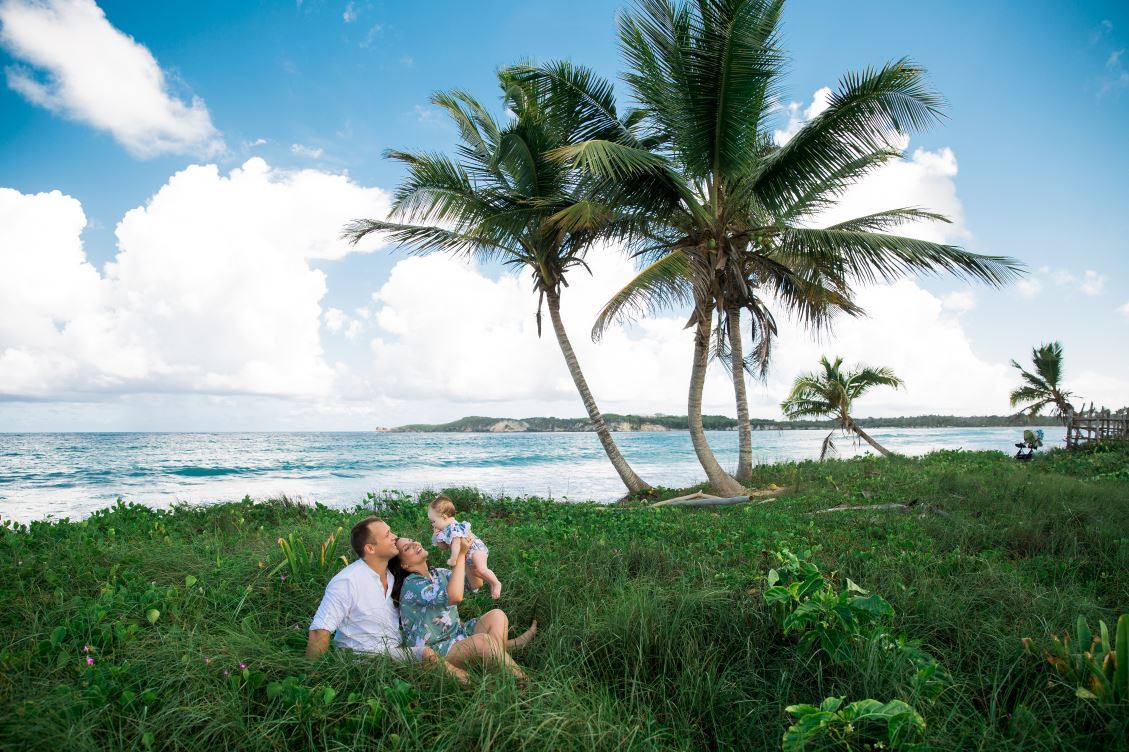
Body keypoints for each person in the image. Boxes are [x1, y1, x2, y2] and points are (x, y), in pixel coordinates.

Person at [306, 516, 468, 682]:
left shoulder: (394, 577)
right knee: (426, 654)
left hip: (394, 650)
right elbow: (319, 630)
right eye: (387, 535)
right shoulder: (347, 581)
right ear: (370, 548)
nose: (394, 537)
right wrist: (313, 680)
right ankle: (472, 685)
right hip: (360, 658)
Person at [391, 535, 535, 682]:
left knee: (497, 616)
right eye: (407, 548)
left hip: (457, 635)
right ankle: (523, 681)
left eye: (412, 540)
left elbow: (475, 583)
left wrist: (465, 551)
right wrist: (459, 555)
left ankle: (495, 664)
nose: (414, 544)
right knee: (483, 641)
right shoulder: (411, 585)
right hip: (438, 651)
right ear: (404, 565)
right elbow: (455, 596)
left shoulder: (438, 573)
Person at [428, 495, 502, 599]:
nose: (433, 525)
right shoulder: (445, 531)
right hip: (467, 555)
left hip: (476, 550)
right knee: (476, 572)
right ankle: (491, 582)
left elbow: (457, 543)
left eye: (433, 521)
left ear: (444, 517)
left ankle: (496, 583)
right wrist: (436, 537)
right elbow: (444, 547)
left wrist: (454, 558)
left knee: (481, 569)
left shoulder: (454, 527)